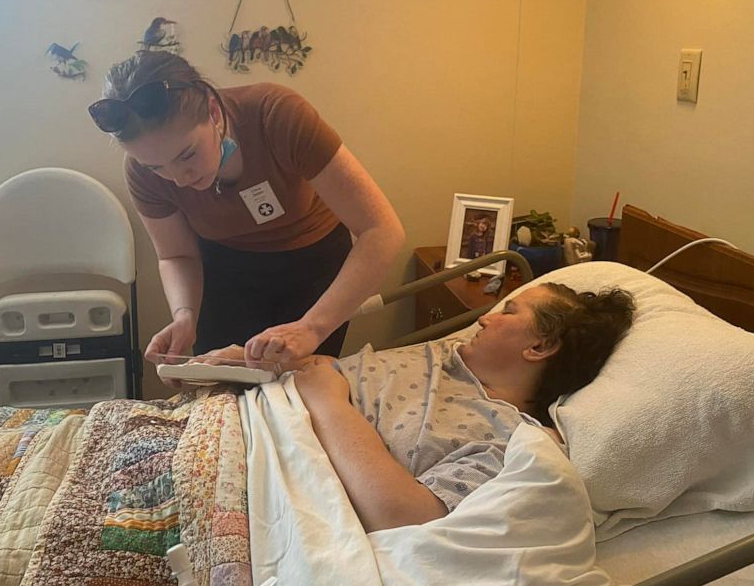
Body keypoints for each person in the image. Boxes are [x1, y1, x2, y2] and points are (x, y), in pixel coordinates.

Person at [206, 284, 633, 532]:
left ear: (540, 346)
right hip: (235, 414)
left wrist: (327, 401)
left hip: (256, 467)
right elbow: (331, 372)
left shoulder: (505, 438)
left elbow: (401, 515)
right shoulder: (441, 355)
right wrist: (238, 364)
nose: (485, 318)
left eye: (509, 311)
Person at [88, 50, 405, 369]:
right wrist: (184, 315)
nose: (179, 178)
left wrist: (313, 327)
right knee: (224, 381)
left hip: (314, 261)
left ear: (213, 111)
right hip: (226, 268)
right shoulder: (140, 170)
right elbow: (176, 255)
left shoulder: (277, 116)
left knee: (300, 382)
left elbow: (382, 230)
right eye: (157, 167)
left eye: (187, 155)